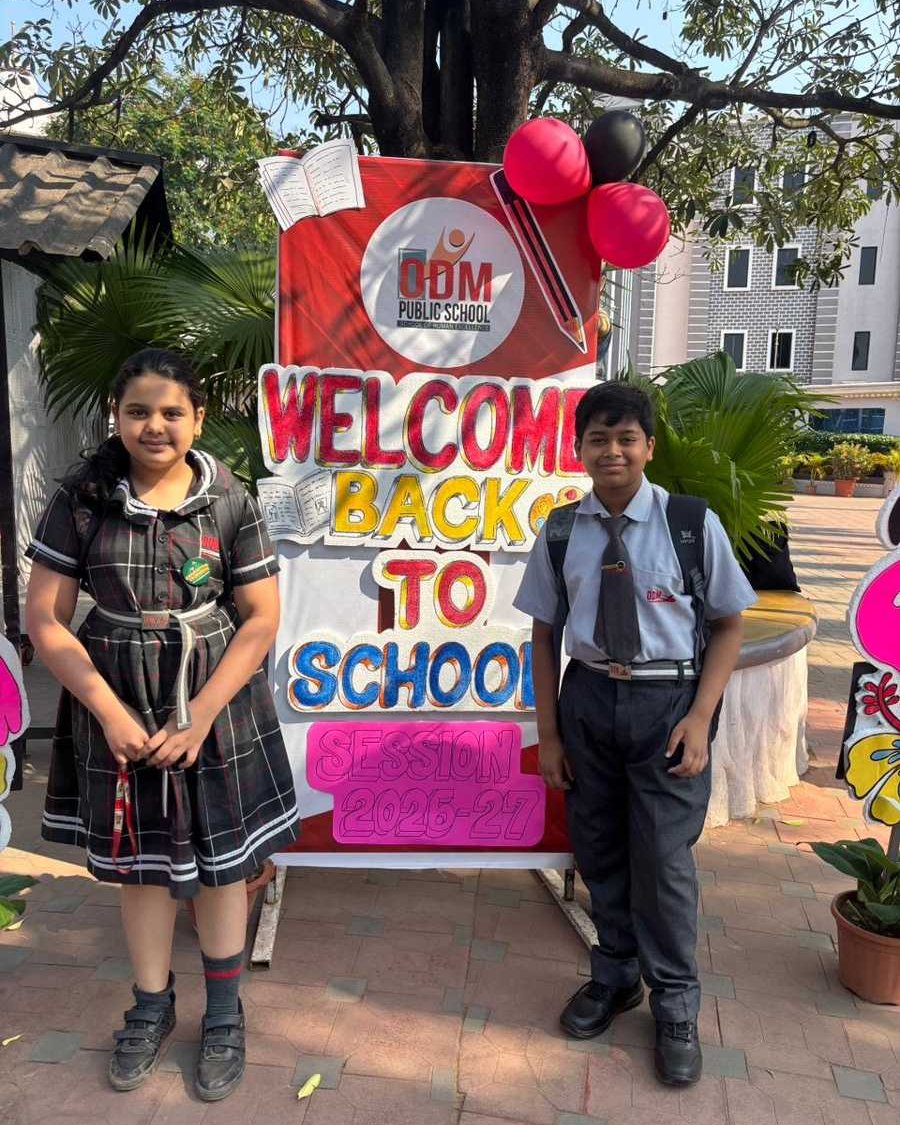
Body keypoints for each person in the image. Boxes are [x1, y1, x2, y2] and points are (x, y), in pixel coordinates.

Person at [25, 348, 299, 1101]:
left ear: (197, 418)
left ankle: (224, 1013)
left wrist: (202, 714)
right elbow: (45, 619)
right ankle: (151, 1005)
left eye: (172, 411)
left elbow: (261, 617)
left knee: (222, 865)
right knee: (138, 866)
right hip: (115, 696)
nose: (155, 425)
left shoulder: (229, 500)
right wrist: (107, 712)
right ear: (116, 417)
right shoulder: (83, 499)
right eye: (138, 411)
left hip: (215, 697)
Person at [514, 382, 755, 1086]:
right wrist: (549, 735)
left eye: (626, 438)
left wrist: (700, 718)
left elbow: (729, 625)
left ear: (649, 446)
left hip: (667, 703)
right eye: (598, 439)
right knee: (598, 848)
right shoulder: (562, 531)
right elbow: (543, 634)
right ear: (579, 448)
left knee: (663, 860)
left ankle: (676, 1005)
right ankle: (615, 975)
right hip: (588, 697)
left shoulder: (690, 524)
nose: (612, 451)